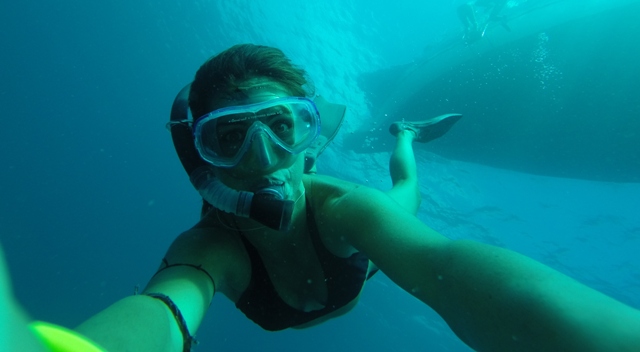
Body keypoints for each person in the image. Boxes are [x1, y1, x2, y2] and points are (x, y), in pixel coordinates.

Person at [51, 44, 640, 351]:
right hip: (341, 256)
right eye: (229, 137)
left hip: (360, 249)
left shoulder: (346, 209)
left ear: (309, 137)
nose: (262, 157)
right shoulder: (211, 249)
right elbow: (165, 308)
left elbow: (450, 271)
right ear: (202, 162)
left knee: (404, 191)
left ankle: (405, 135)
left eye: (281, 127)